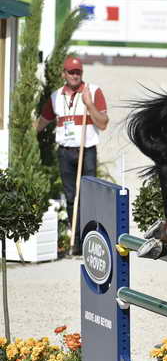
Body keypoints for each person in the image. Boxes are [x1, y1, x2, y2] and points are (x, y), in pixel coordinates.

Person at [36, 56, 109, 255]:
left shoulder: (93, 91)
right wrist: (27, 135)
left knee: (89, 196)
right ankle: (75, 242)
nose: (75, 76)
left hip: (87, 150)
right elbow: (42, 122)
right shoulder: (55, 96)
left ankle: (90, 239)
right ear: (64, 74)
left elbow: (103, 123)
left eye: (78, 72)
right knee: (70, 198)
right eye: (71, 72)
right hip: (65, 152)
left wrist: (89, 104)